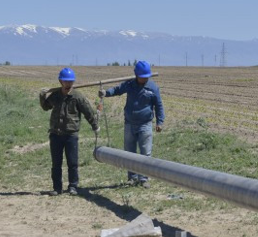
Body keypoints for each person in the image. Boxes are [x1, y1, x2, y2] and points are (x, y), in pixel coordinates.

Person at [99, 60, 164, 188]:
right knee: (129, 152)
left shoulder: (153, 88)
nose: (144, 79)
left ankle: (144, 178)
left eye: (146, 77)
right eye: (142, 77)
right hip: (129, 124)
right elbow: (117, 90)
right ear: (136, 75)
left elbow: (159, 105)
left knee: (145, 152)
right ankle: (132, 177)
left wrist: (160, 121)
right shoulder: (129, 85)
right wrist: (106, 93)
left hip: (145, 124)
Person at [38, 67, 99, 196]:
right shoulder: (55, 96)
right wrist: (42, 96)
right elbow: (45, 107)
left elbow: (88, 112)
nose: (68, 84)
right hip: (55, 134)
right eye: (65, 81)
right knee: (56, 163)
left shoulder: (77, 97)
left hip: (71, 134)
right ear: (60, 81)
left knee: (72, 162)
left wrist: (95, 126)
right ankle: (57, 188)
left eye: (70, 81)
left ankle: (72, 186)